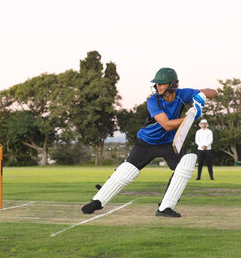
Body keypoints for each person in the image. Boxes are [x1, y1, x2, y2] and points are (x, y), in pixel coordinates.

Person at [81, 67, 217, 218]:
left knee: (184, 165)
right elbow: (166, 124)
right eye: (156, 84)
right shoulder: (153, 101)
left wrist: (201, 96)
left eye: (161, 84)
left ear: (172, 85)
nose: (157, 86)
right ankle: (97, 202)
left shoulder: (182, 94)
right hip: (146, 142)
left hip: (168, 144)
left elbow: (213, 92)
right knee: (127, 171)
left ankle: (165, 207)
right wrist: (191, 116)